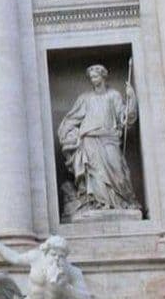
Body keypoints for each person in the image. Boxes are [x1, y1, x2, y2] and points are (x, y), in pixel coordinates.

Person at [57, 64, 139, 214]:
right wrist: (68, 134)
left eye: (96, 76)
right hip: (89, 140)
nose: (93, 79)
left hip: (109, 139)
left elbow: (124, 119)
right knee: (95, 173)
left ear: (103, 76)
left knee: (118, 172)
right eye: (91, 77)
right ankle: (98, 203)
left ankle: (121, 202)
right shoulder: (85, 99)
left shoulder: (113, 95)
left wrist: (131, 98)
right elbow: (71, 119)